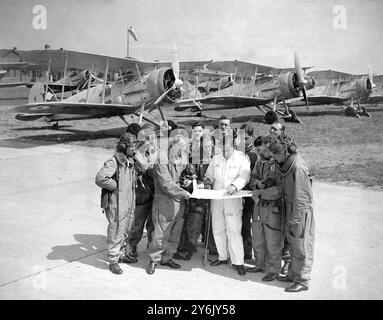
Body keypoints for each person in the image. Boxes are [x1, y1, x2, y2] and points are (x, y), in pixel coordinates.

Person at [201, 124, 251, 276]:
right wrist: (207, 181)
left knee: (234, 230)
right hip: (217, 199)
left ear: (233, 144)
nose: (224, 150)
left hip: (232, 199)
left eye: (227, 147)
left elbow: (245, 176)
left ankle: (238, 261)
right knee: (218, 228)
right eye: (221, 147)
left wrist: (235, 186)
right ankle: (222, 256)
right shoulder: (216, 158)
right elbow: (209, 174)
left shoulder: (241, 158)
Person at [267, 136, 314, 292]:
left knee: (301, 246)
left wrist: (296, 217)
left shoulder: (297, 167)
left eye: (275, 154)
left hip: (299, 212)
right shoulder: (286, 163)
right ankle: (293, 274)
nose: (273, 157)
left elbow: (302, 197)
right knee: (293, 244)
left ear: (285, 152)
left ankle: (303, 280)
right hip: (290, 209)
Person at [146, 127, 191, 275]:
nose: (185, 151)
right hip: (164, 202)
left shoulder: (181, 156)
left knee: (174, 234)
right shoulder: (161, 158)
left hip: (179, 202)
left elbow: (183, 173)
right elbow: (165, 183)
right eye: (183, 148)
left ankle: (167, 257)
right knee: (160, 234)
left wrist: (189, 180)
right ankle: (154, 260)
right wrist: (183, 192)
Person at [95, 131, 138, 275]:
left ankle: (121, 255)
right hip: (116, 203)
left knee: (126, 229)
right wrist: (115, 185)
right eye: (132, 146)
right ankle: (113, 261)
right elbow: (100, 178)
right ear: (123, 146)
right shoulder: (113, 162)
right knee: (116, 231)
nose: (134, 149)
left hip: (128, 201)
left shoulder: (130, 160)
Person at [174, 122, 214, 261]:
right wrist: (189, 181)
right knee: (191, 221)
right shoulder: (192, 153)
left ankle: (188, 249)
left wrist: (201, 184)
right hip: (192, 195)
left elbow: (210, 178)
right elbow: (187, 172)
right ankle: (186, 248)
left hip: (204, 195)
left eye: (209, 145)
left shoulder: (213, 156)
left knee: (197, 221)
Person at [247, 135, 283, 282]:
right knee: (257, 235)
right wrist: (258, 184)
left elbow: (280, 189)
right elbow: (252, 179)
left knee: (272, 238)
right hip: (258, 205)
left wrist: (261, 192)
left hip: (272, 207)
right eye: (262, 147)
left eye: (266, 148)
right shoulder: (260, 162)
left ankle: (273, 269)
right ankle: (259, 263)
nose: (262, 150)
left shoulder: (279, 165)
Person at [125, 123, 157, 258]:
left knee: (153, 224)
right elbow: (142, 169)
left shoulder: (155, 151)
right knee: (137, 223)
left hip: (155, 193)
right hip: (140, 194)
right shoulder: (135, 152)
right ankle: (131, 247)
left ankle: (151, 246)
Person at [269, 120, 295, 276]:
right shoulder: (270, 145)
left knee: (286, 232)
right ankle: (272, 261)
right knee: (274, 230)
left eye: (276, 129)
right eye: (271, 128)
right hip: (273, 193)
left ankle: (288, 262)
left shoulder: (287, 147)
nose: (272, 131)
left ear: (283, 132)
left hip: (285, 195)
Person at [239, 123, 260, 260]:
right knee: (242, 223)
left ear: (252, 137)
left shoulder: (255, 155)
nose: (243, 141)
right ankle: (243, 251)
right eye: (241, 138)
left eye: (246, 138)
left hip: (251, 195)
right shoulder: (240, 152)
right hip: (241, 194)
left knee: (252, 224)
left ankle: (253, 254)